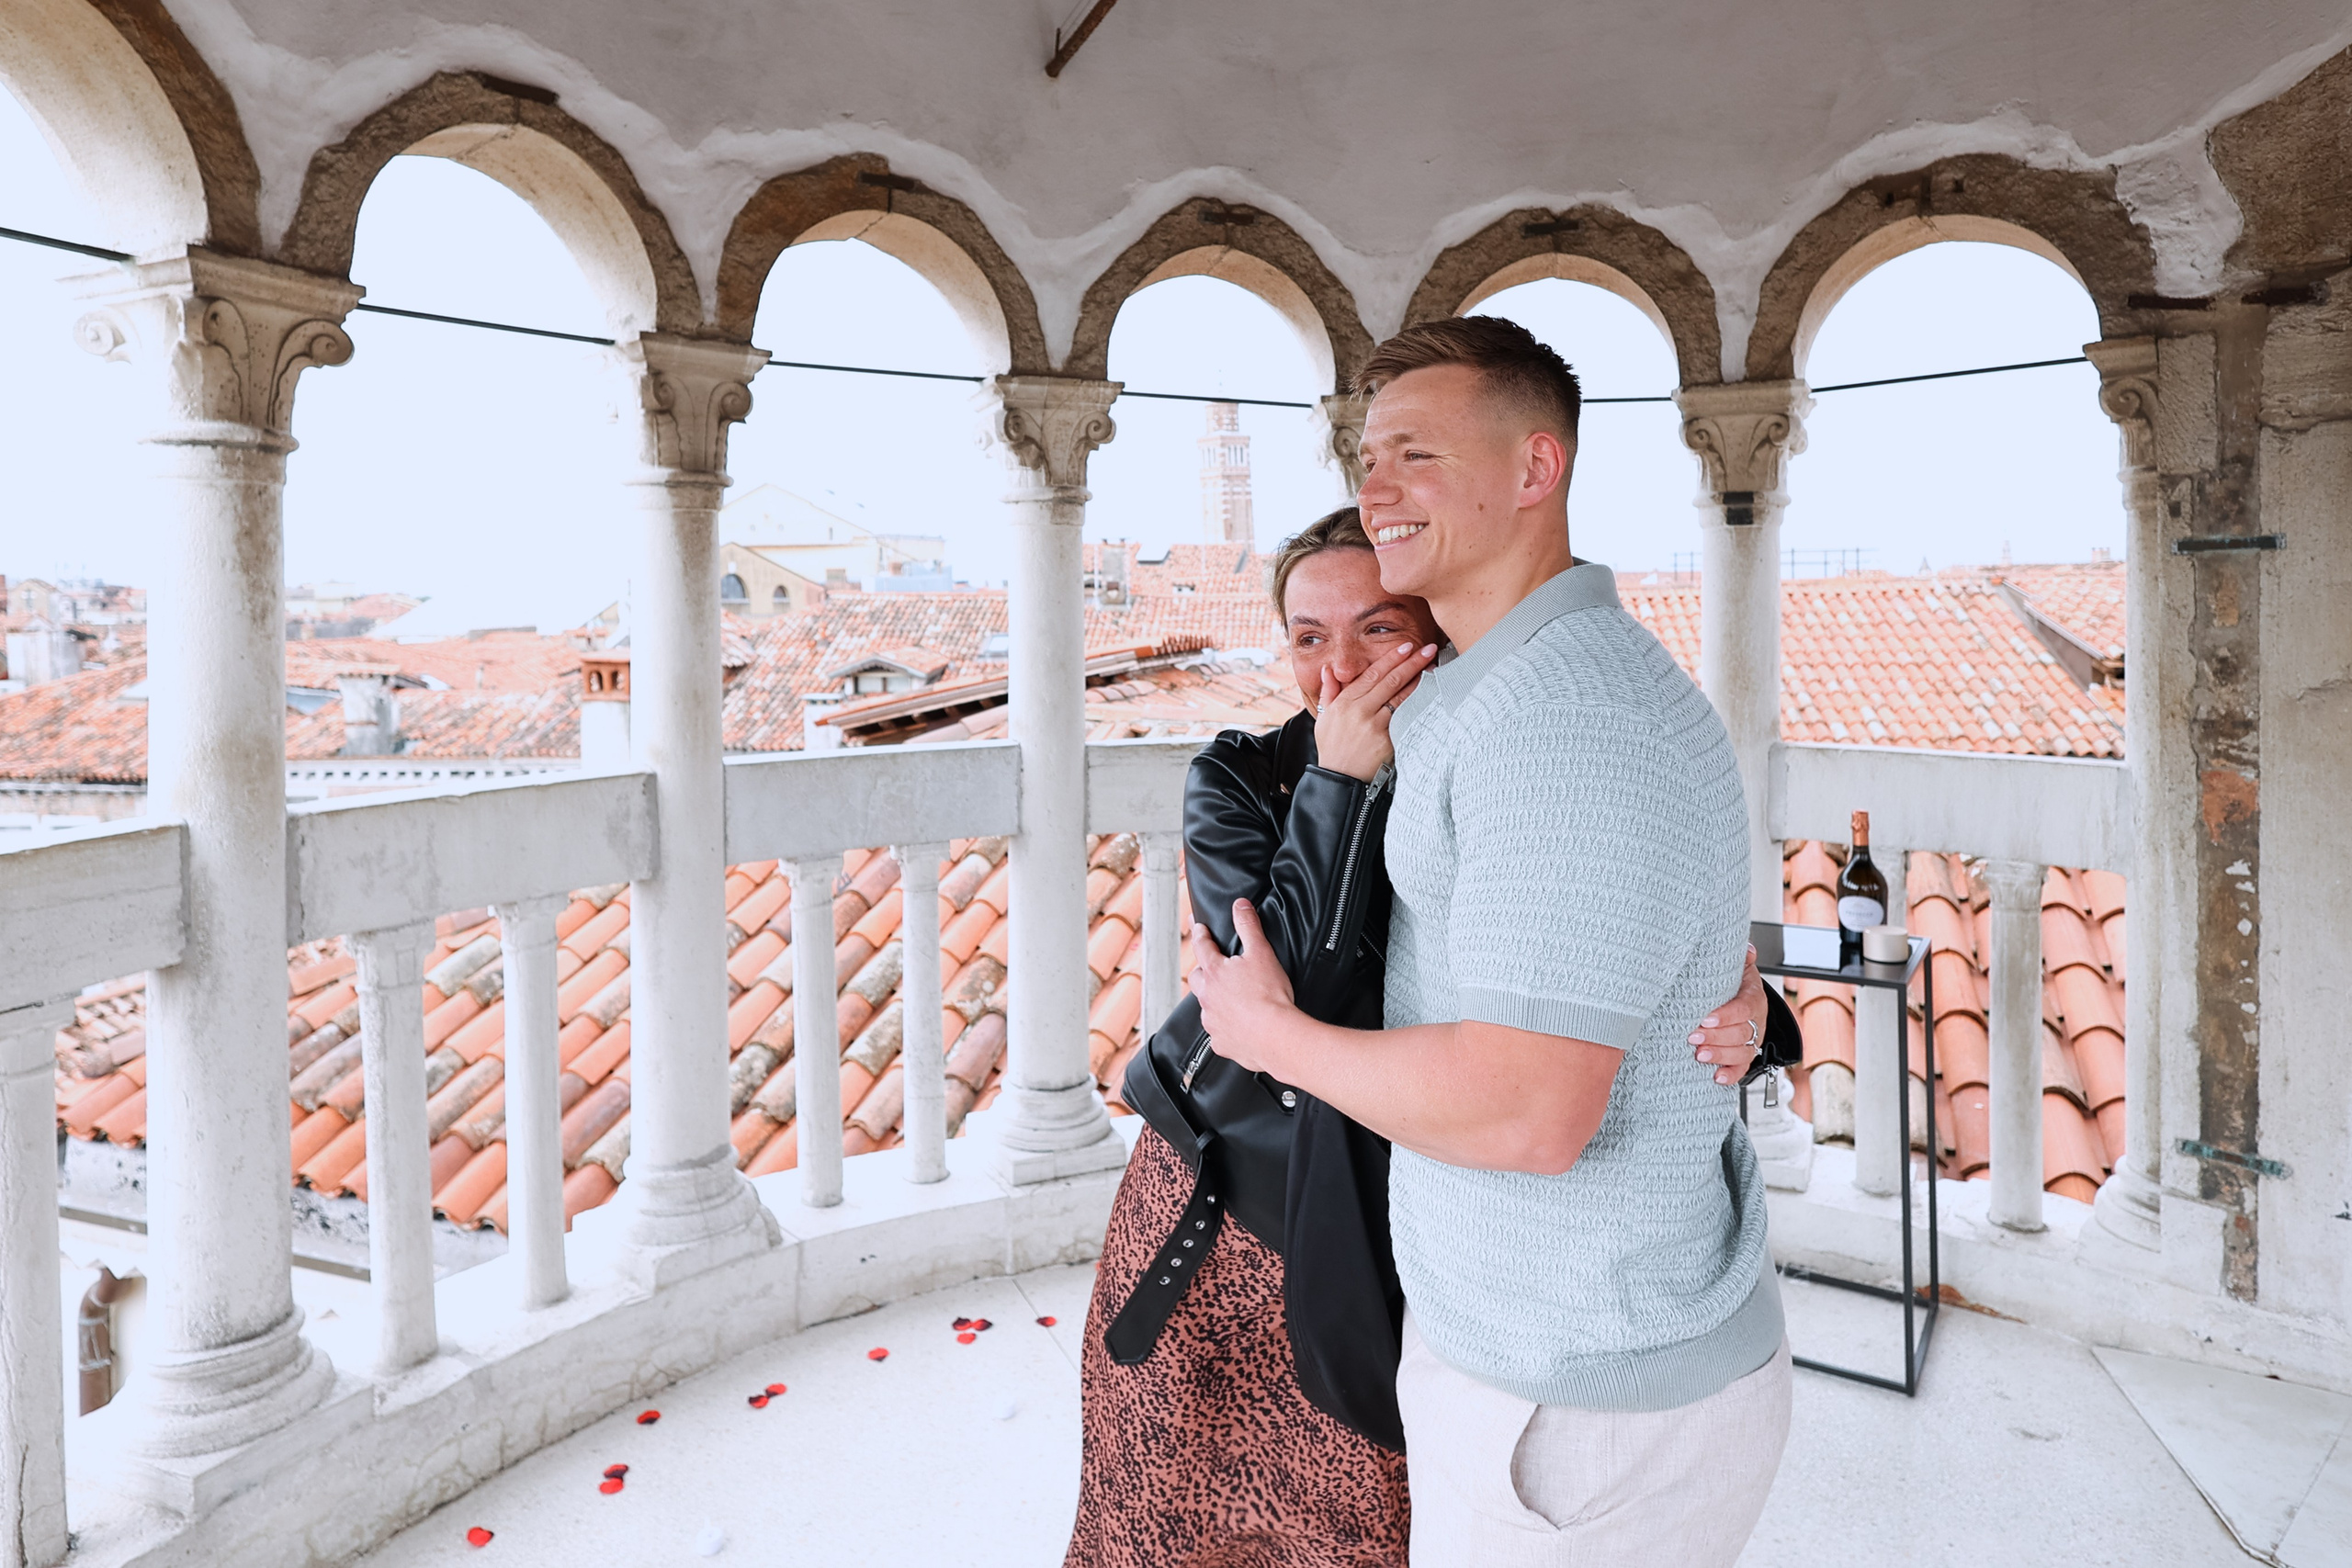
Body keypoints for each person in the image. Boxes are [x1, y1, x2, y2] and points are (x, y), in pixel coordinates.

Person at [1066, 506, 1794, 1568]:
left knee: (1375, 1518)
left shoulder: (1499, 761)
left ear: (1436, 632)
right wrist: (1336, 784)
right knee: (1169, 1513)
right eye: (1308, 637)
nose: (1338, 666)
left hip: (1407, 1221)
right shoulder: (1242, 777)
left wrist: (1756, 1016)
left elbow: (1602, 953)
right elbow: (1284, 995)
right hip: (1231, 1213)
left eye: (1376, 628)